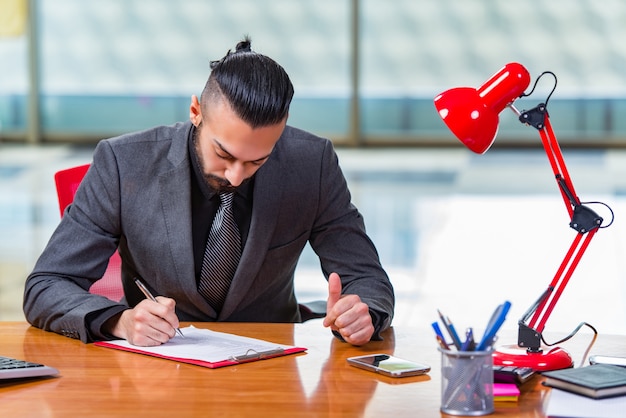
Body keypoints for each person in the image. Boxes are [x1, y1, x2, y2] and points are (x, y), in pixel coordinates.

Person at [23, 37, 394, 347]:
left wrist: (364, 312)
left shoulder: (311, 164)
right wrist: (119, 321)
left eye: (256, 162)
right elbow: (46, 285)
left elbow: (367, 278)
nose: (236, 176)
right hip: (159, 364)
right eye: (224, 154)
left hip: (270, 366)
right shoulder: (123, 163)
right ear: (196, 110)